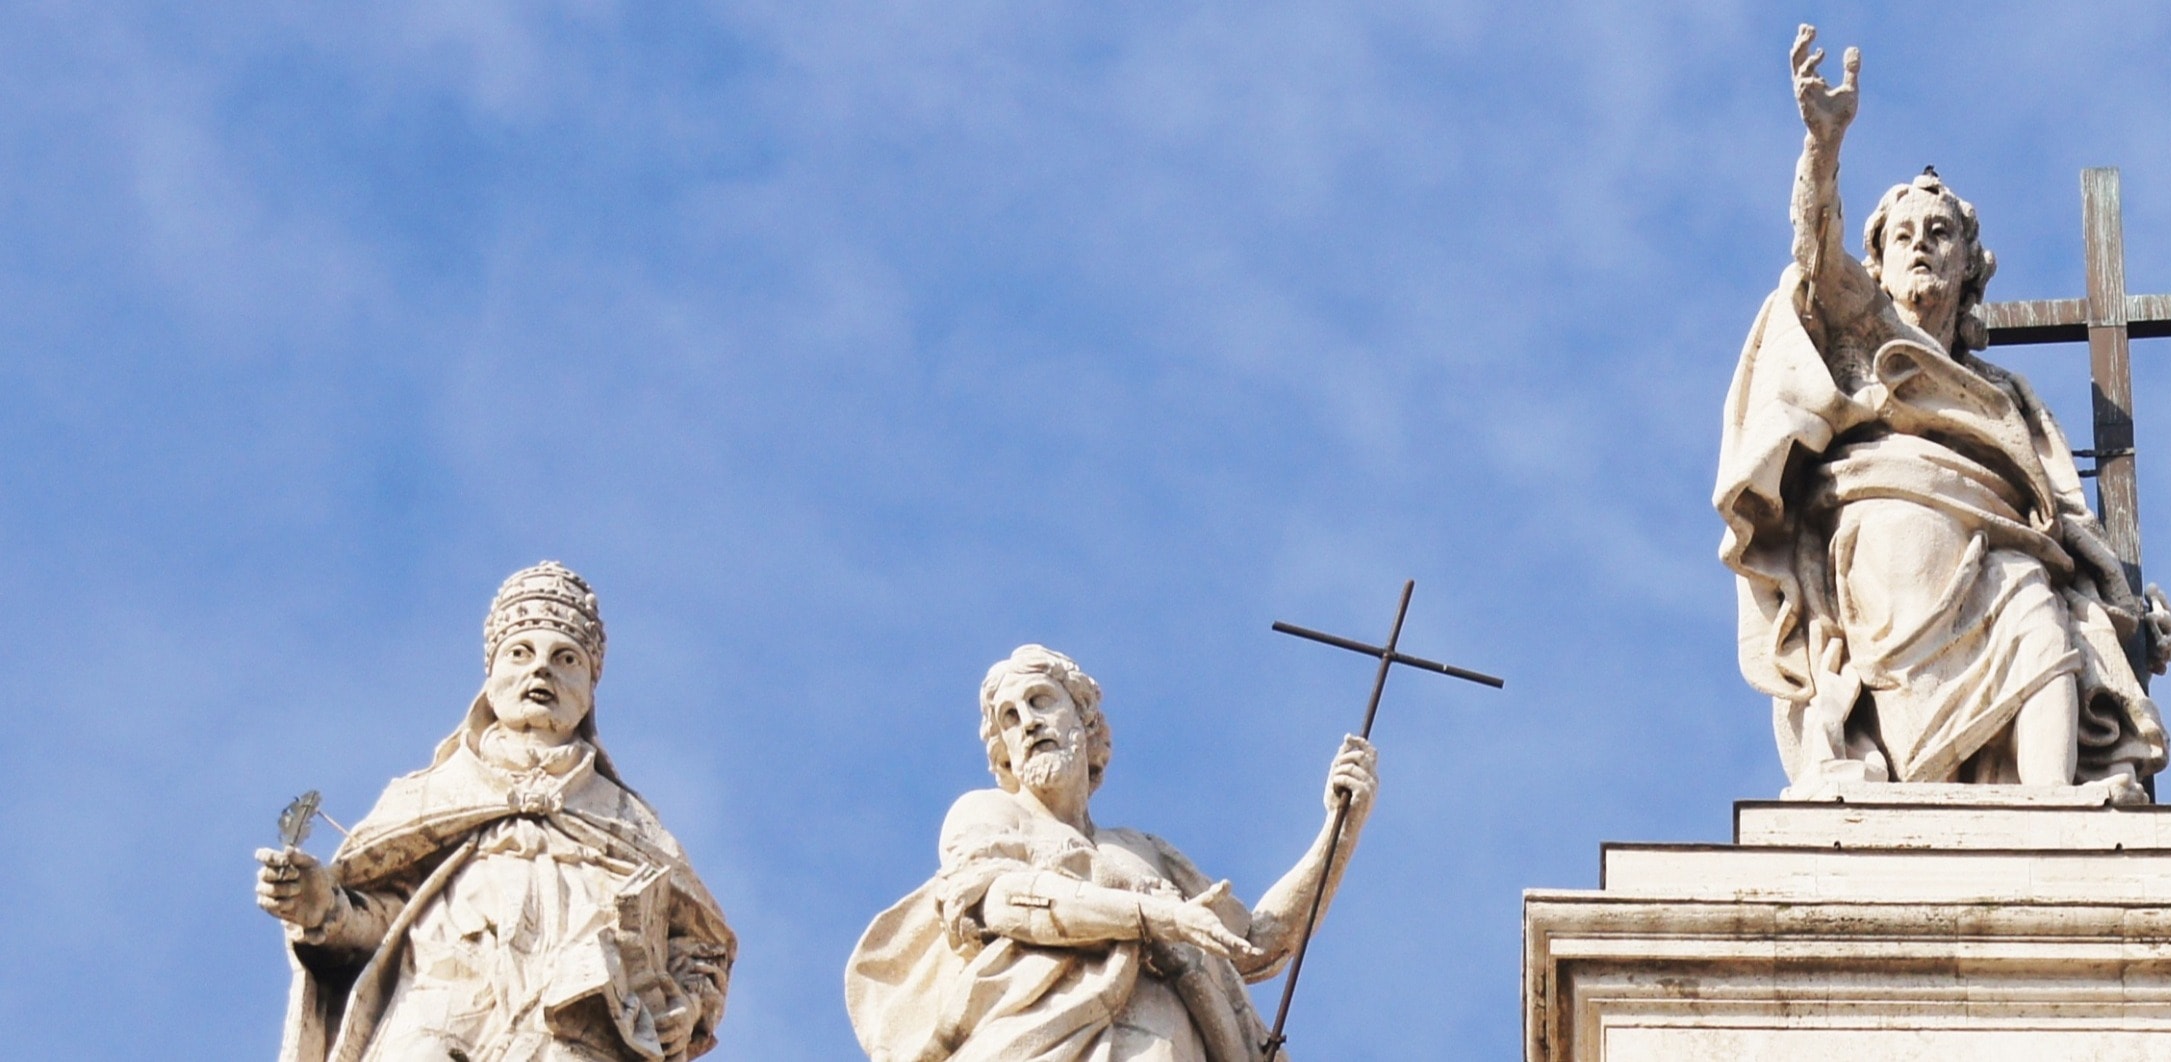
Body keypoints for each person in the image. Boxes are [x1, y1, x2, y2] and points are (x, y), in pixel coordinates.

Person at [1715, 25, 2171, 797]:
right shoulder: (1860, 335)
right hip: (1885, 539)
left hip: (2000, 551)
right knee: (2006, 583)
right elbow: (1814, 252)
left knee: (2033, 598)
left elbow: (2068, 523)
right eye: (1903, 236)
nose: (1921, 246)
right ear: (1879, 262)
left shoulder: (2009, 398)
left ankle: (2051, 801)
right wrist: (1824, 146)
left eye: (1939, 234)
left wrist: (2130, 618)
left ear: (1968, 265)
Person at [254, 561, 736, 1062]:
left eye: (566, 658)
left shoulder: (631, 823)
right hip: (437, 1017)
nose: (541, 670)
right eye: (520, 653)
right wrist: (324, 909)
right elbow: (387, 929)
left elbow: (700, 946)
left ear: (590, 689)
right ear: (492, 675)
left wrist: (687, 1007)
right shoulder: (429, 797)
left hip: (573, 1035)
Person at [846, 646, 1378, 1062]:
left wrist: (1339, 830)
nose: (1027, 722)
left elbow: (1255, 942)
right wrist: (1154, 916)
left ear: (1084, 720)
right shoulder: (988, 814)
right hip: (1038, 1043)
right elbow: (1005, 903)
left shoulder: (1143, 851)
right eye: (1009, 717)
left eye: (1041, 701)